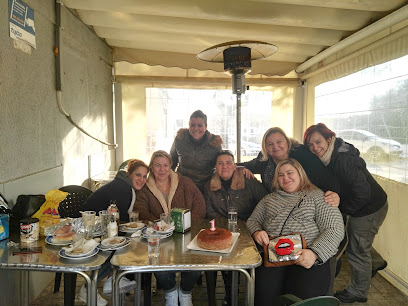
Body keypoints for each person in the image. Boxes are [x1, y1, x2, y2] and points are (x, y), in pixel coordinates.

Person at [304, 123, 388, 303]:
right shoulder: (330, 156)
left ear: (328, 139)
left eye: (318, 142)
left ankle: (358, 291)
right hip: (362, 204)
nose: (315, 148)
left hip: (369, 206)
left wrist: (344, 209)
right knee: (357, 240)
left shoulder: (343, 159)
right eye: (310, 145)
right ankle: (376, 261)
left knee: (357, 250)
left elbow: (362, 192)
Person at [246, 158, 344, 305]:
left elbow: (334, 229)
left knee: (302, 300)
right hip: (274, 258)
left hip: (307, 258)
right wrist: (257, 232)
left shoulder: (318, 197)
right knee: (263, 298)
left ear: (300, 174)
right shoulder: (269, 199)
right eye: (280, 175)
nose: (285, 177)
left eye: (290, 172)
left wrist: (314, 253)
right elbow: (252, 221)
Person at [133, 150, 206, 306]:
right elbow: (140, 211)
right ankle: (171, 293)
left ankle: (185, 292)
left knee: (199, 259)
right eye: (157, 165)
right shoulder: (146, 187)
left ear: (171, 165)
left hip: (186, 233)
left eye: (166, 165)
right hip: (159, 236)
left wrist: (184, 223)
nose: (162, 169)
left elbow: (200, 206)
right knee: (158, 259)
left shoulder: (185, 182)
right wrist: (162, 225)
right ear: (151, 167)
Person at [79, 159, 149, 304]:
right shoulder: (123, 188)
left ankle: (115, 279)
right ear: (129, 174)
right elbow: (119, 219)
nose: (142, 179)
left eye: (144, 176)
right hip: (86, 229)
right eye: (138, 175)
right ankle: (88, 288)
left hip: (98, 228)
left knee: (123, 243)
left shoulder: (122, 184)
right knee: (116, 247)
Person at [204, 150, 268, 305]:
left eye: (228, 163)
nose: (224, 166)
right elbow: (210, 212)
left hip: (250, 229)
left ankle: (249, 295)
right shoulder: (209, 186)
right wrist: (224, 227)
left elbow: (266, 202)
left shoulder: (248, 180)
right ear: (215, 167)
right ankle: (229, 295)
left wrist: (252, 223)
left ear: (234, 166)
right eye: (220, 163)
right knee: (224, 259)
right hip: (223, 231)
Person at [239, 127, 340, 206]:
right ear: (265, 148)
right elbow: (248, 165)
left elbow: (325, 177)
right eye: (270, 144)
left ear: (287, 142)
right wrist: (241, 168)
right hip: (276, 205)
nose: (275, 146)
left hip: (303, 204)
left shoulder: (302, 154)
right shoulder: (264, 159)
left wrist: (335, 195)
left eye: (279, 142)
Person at [170, 110, 223, 193]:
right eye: (192, 125)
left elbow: (221, 166)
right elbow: (171, 162)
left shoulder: (215, 143)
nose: (196, 128)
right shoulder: (180, 139)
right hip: (181, 185)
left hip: (205, 187)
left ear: (206, 126)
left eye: (200, 125)